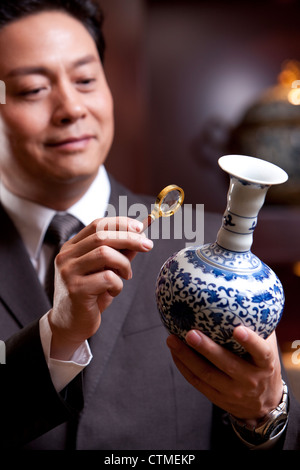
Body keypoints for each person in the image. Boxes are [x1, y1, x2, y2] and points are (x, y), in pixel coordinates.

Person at [0, 0, 299, 450]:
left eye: (85, 80)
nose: (71, 108)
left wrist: (264, 413)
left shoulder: (202, 240)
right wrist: (54, 337)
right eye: (31, 89)